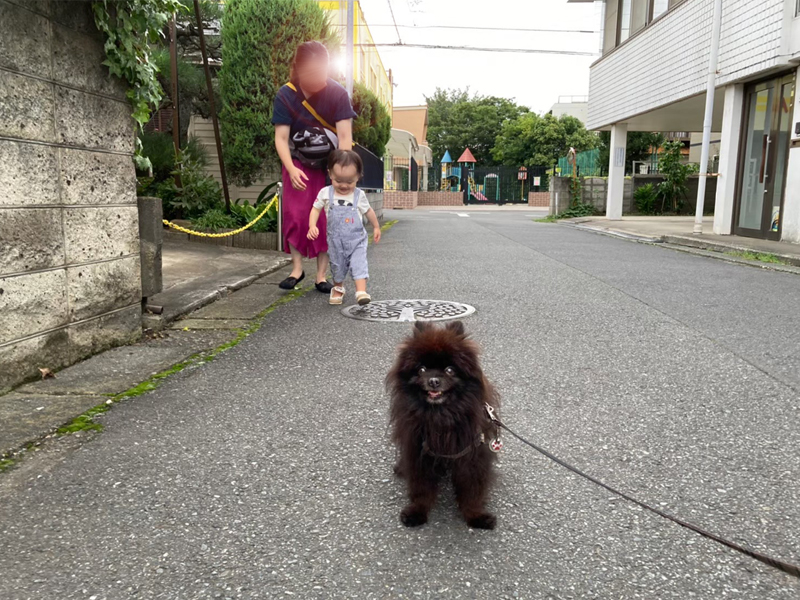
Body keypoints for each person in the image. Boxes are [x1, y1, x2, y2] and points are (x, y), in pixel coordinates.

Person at [272, 41, 357, 293]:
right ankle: (296, 269)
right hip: (298, 164)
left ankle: (321, 276)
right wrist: (290, 167)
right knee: (296, 216)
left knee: (324, 219)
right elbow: (281, 138)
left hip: (327, 167)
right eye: (311, 74)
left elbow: (344, 138)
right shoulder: (285, 95)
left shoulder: (337, 94)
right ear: (297, 68)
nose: (318, 80)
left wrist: (340, 174)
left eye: (322, 72)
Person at [307, 150, 380, 306]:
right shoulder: (325, 193)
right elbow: (315, 209)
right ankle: (338, 288)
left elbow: (369, 211)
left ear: (358, 177)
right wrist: (312, 225)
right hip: (335, 240)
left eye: (350, 182)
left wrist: (376, 227)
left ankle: (361, 291)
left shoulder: (359, 195)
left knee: (358, 262)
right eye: (339, 180)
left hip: (357, 239)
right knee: (337, 266)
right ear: (330, 174)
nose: (344, 185)